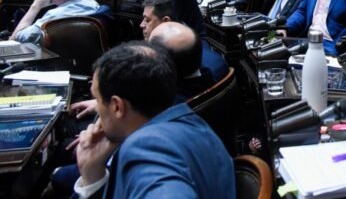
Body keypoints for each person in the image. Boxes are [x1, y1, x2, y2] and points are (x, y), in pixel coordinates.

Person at [72, 42, 234, 198]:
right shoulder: (194, 124)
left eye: (98, 100)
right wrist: (92, 177)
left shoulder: (146, 148)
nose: (98, 109)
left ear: (117, 107)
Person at [12, 0, 100, 44]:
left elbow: (16, 39)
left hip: (49, 62)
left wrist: (35, 6)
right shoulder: (93, 7)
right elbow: (93, 2)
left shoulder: (54, 15)